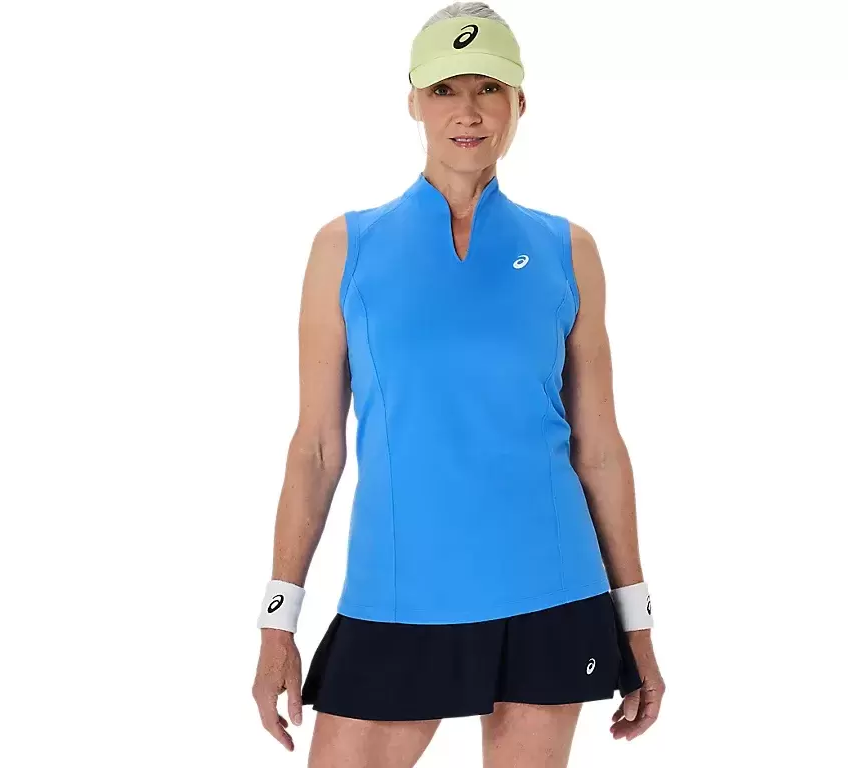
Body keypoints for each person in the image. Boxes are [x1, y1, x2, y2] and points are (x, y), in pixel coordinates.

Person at [251, 3, 665, 765]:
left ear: (519, 102)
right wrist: (279, 621)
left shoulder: (567, 249)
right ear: (413, 101)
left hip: (550, 583)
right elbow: (316, 449)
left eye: (488, 88)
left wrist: (635, 621)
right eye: (444, 89)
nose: (467, 112)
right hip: (400, 591)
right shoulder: (345, 247)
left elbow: (600, 448)